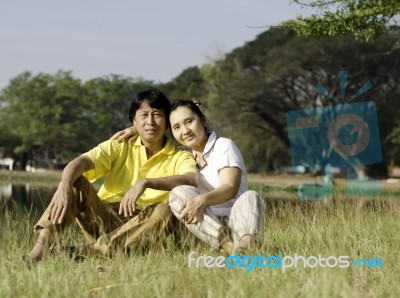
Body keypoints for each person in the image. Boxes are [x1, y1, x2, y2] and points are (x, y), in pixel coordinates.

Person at [24, 88, 197, 262]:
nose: (150, 121)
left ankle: (93, 250)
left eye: (157, 115)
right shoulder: (119, 145)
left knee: (163, 210)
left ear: (167, 121)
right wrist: (64, 185)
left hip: (141, 229)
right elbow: (81, 162)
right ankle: (39, 250)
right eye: (144, 115)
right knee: (76, 182)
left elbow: (192, 178)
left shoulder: (180, 156)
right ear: (133, 121)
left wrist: (146, 182)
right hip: (103, 218)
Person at [112, 99, 265, 255]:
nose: (185, 131)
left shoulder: (223, 145)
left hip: (236, 221)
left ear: (203, 120)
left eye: (189, 121)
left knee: (251, 197)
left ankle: (244, 247)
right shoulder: (183, 157)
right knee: (178, 193)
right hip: (204, 228)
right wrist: (136, 129)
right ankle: (226, 244)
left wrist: (202, 199)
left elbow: (230, 187)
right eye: (177, 127)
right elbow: (157, 132)